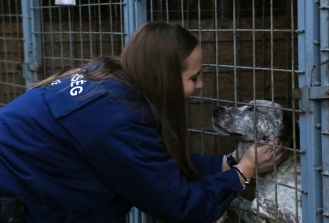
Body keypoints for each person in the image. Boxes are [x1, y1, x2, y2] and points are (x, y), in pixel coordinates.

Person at [0, 22, 284, 223]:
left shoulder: (109, 79)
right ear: (165, 78)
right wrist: (243, 172)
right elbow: (178, 205)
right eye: (193, 77)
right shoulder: (115, 119)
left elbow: (150, 164)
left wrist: (229, 162)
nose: (200, 85)